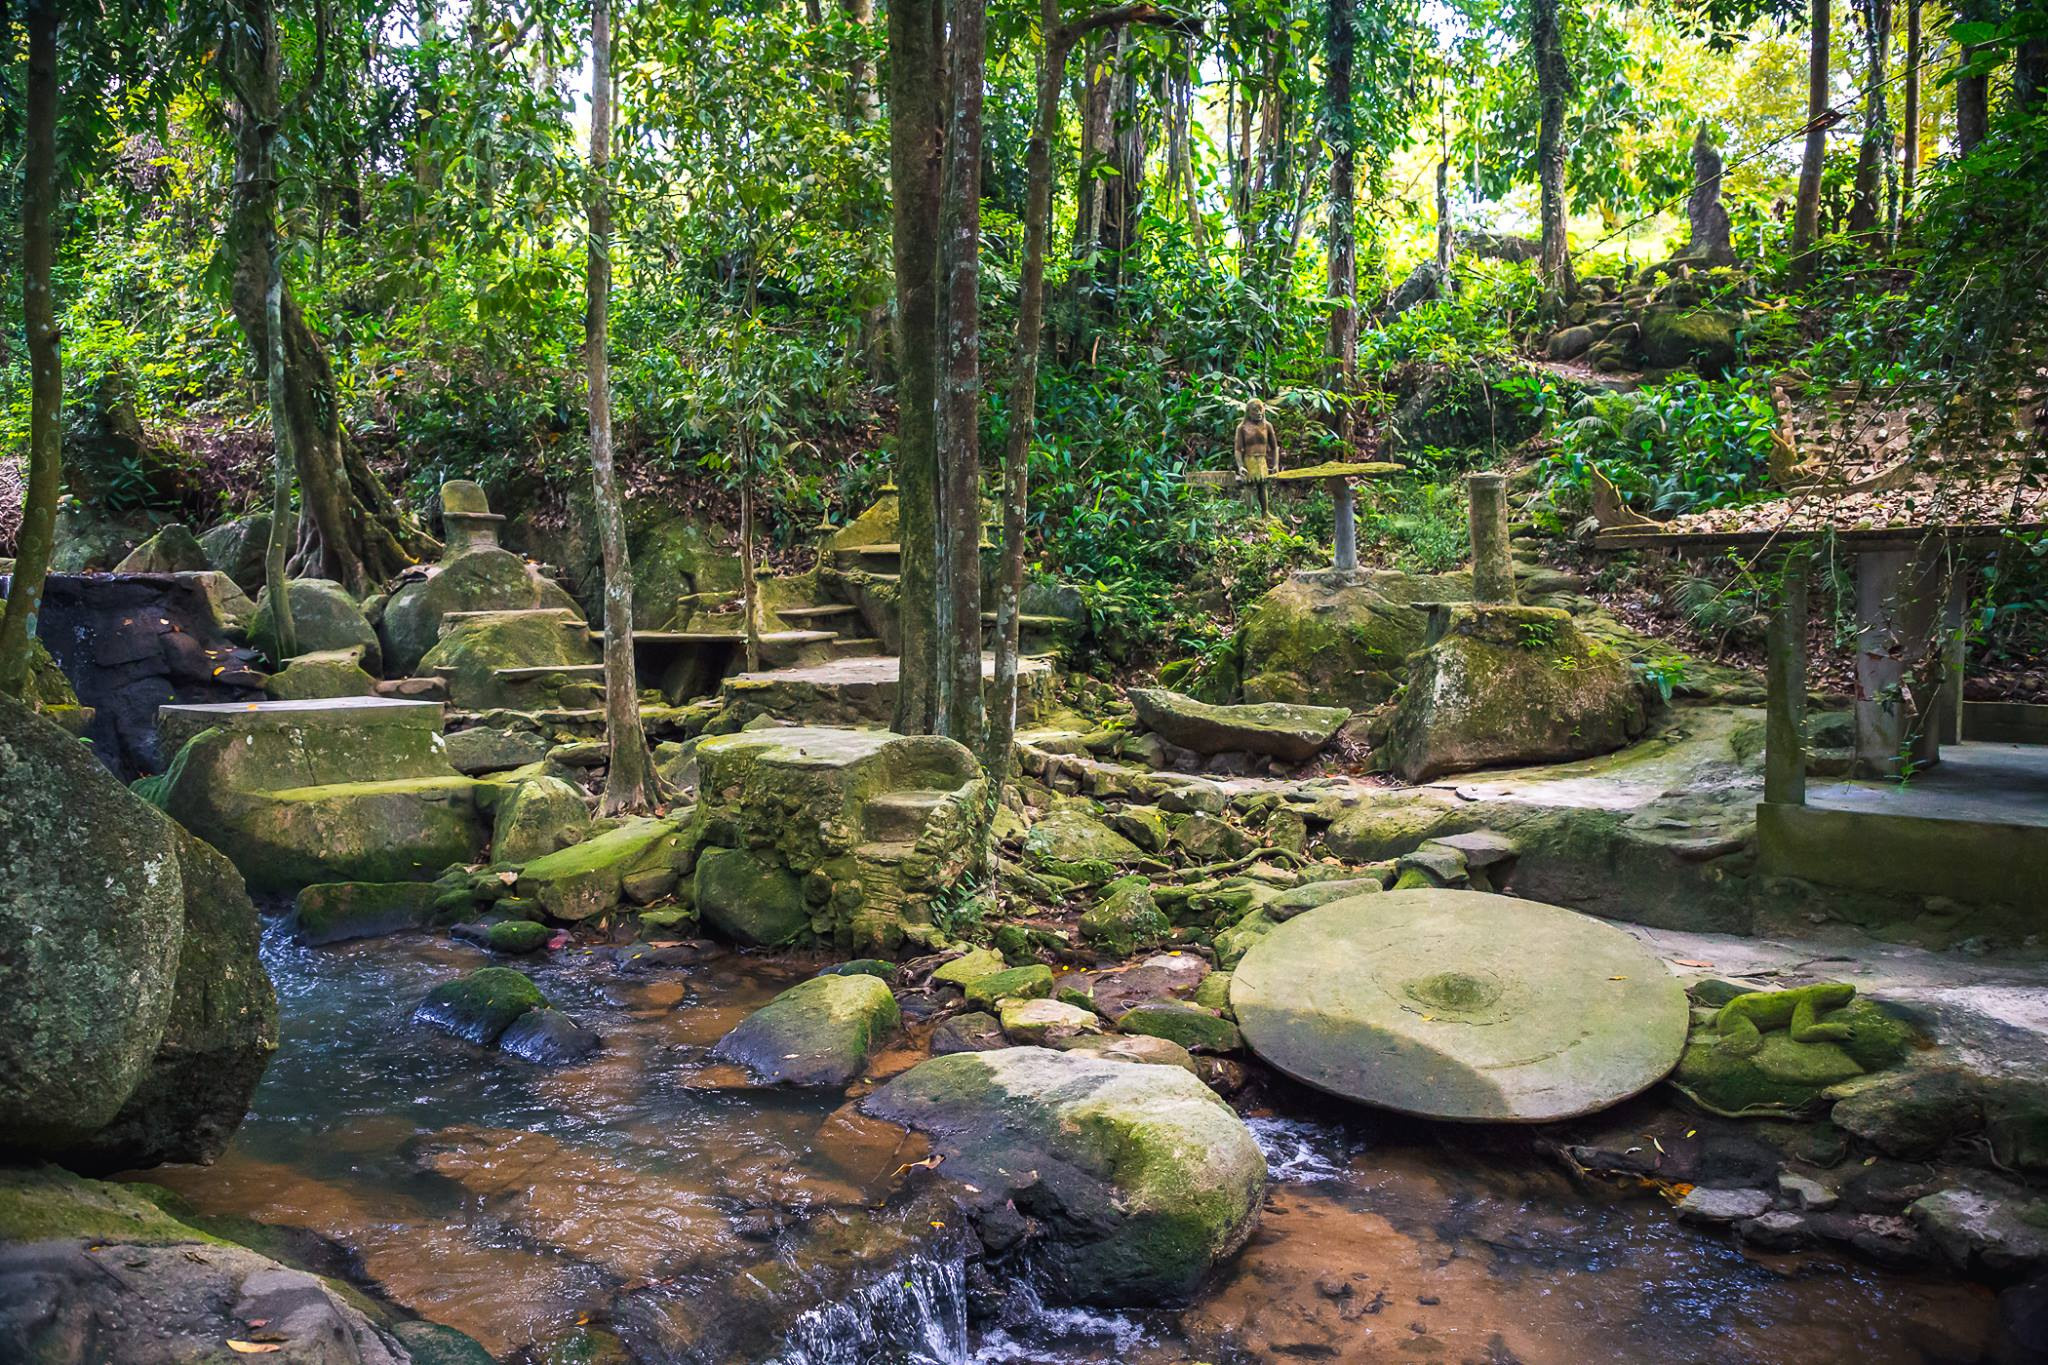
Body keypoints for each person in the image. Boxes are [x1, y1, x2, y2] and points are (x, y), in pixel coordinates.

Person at [1234, 399, 1283, 514]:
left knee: (1263, 485)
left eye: (1260, 409)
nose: (1259, 413)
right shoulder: (1242, 428)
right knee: (1249, 486)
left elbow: (1275, 447)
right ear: (1248, 412)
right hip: (1249, 459)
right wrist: (1240, 466)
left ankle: (1265, 513)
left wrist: (1276, 464)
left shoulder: (1267, 426)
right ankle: (1249, 514)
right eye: (1255, 410)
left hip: (1262, 460)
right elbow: (1237, 450)